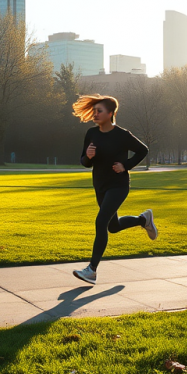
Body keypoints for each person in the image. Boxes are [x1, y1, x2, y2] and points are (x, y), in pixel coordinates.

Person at [71, 93, 158, 285]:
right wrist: (88, 156)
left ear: (110, 113)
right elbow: (84, 162)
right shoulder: (91, 134)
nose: (95, 114)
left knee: (101, 221)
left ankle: (91, 270)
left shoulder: (122, 135)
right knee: (113, 226)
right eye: (94, 111)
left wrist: (125, 165)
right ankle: (144, 220)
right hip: (100, 186)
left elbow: (143, 150)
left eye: (99, 111)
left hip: (118, 185)